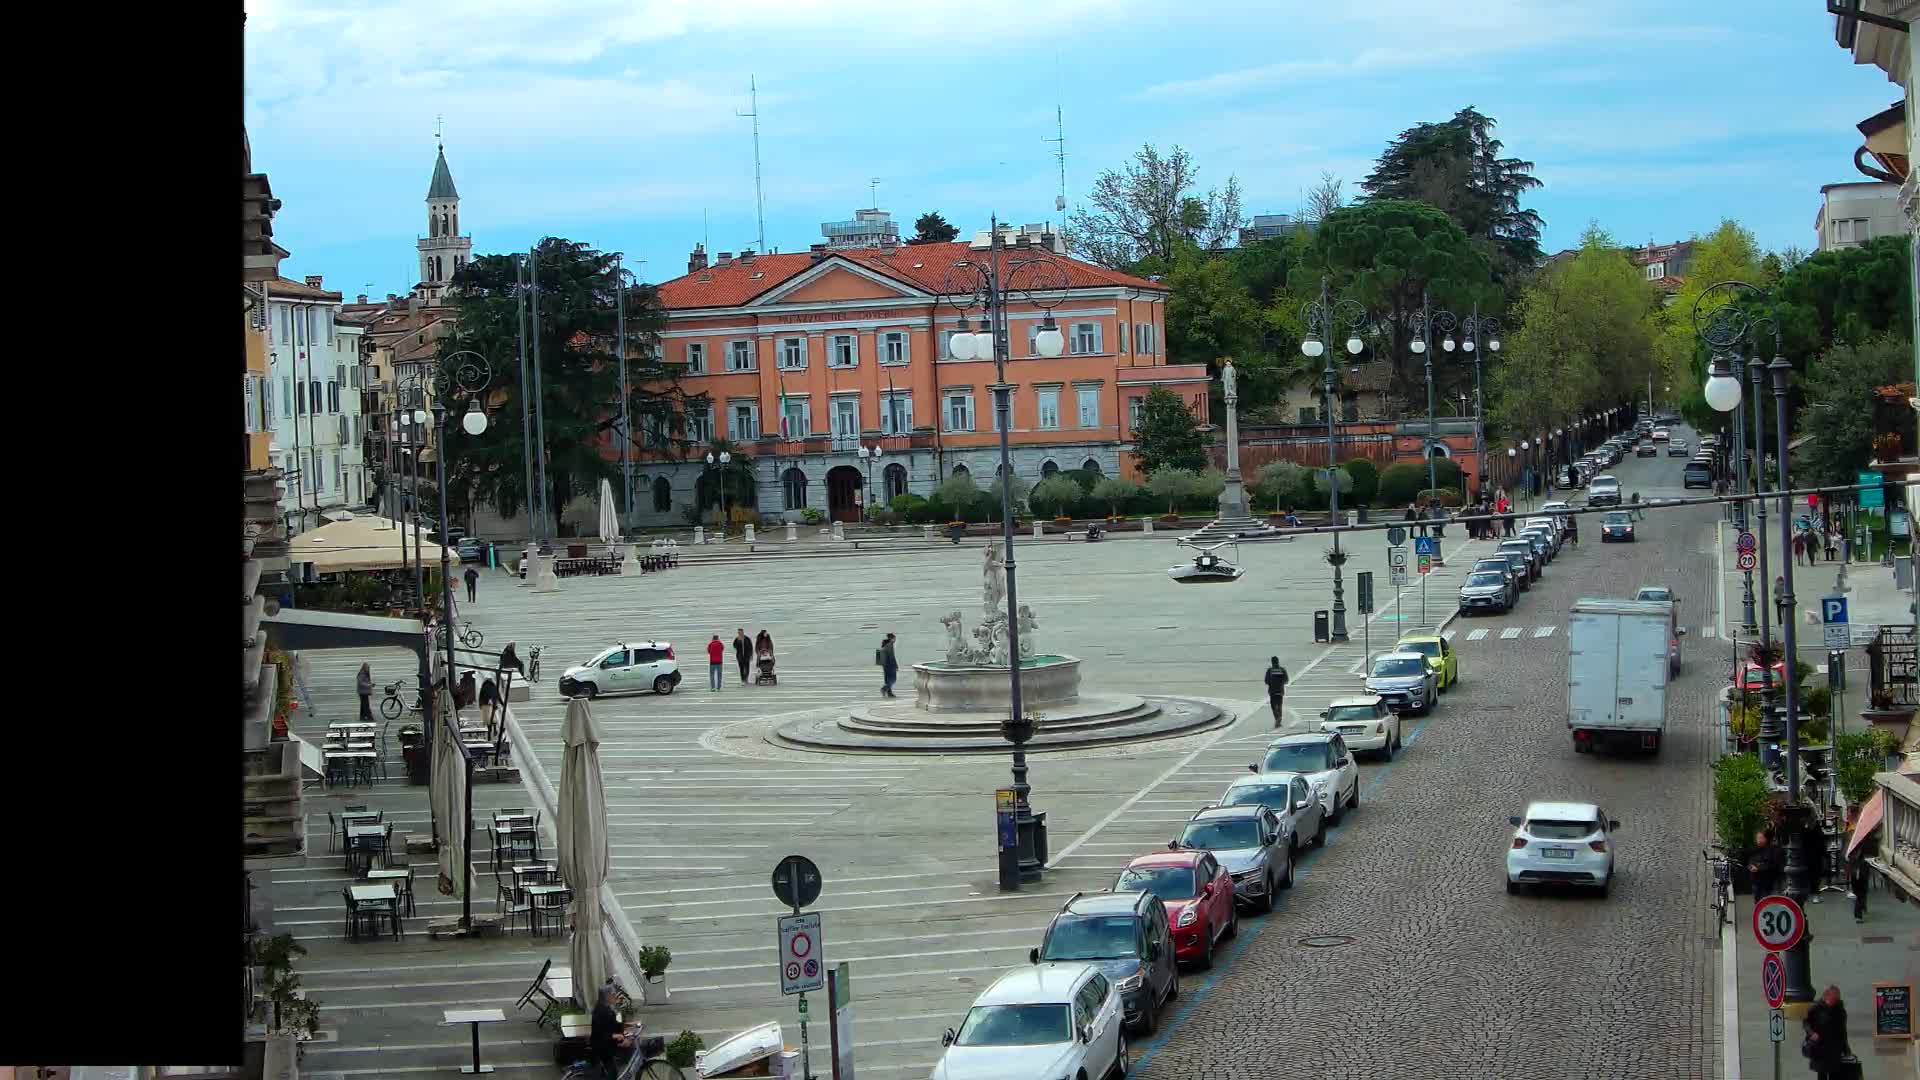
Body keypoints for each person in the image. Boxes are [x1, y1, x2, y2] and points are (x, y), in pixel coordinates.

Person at [1801, 985, 1851, 1079]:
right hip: (1820, 1048)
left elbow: (1843, 1031)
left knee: (1835, 1074)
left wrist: (1846, 1049)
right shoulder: (1816, 1008)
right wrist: (1812, 1033)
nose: (1836, 999)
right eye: (1834, 997)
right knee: (1822, 1074)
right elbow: (1806, 1023)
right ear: (1827, 996)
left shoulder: (1840, 1010)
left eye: (1837, 997)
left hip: (1834, 1049)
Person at [590, 983, 630, 1079]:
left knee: (612, 1072)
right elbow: (599, 1033)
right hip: (603, 1047)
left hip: (607, 1046)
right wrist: (615, 1036)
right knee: (612, 1074)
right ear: (607, 996)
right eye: (613, 994)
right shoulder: (601, 1011)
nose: (615, 995)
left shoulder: (606, 1008)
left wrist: (629, 1024)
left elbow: (615, 1023)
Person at [1748, 828, 1785, 898]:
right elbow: (1750, 861)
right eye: (1757, 838)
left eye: (1761, 838)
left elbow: (1774, 865)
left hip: (1769, 882)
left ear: (1767, 838)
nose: (1759, 840)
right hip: (1756, 881)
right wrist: (1750, 867)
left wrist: (1758, 868)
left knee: (1768, 902)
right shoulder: (1754, 849)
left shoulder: (1774, 850)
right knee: (1758, 902)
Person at [1264, 656, 1289, 729]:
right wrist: (1281, 683)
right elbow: (1286, 680)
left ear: (1272, 662)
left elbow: (1266, 681)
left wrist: (1271, 683)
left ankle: (1277, 718)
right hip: (1280, 690)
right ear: (1278, 661)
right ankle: (1279, 718)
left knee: (1273, 705)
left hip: (1272, 691)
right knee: (1279, 704)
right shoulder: (1282, 670)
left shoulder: (1270, 670)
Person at [878, 633, 899, 698]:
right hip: (890, 665)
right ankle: (884, 689)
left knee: (887, 679)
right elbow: (892, 656)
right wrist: (896, 665)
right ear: (892, 639)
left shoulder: (886, 645)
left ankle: (889, 693)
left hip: (885, 665)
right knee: (893, 679)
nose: (895, 640)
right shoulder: (890, 645)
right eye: (894, 638)